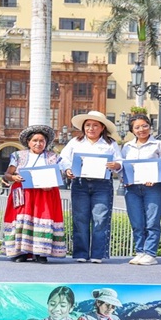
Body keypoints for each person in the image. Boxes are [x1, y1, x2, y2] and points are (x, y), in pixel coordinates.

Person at [60, 111, 122, 264]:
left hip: (102, 185)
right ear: (83, 127)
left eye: (95, 125)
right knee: (80, 219)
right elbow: (63, 159)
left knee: (100, 219)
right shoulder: (75, 142)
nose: (91, 128)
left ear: (102, 128)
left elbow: (120, 162)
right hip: (80, 183)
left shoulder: (110, 144)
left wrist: (116, 165)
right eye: (88, 125)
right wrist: (68, 169)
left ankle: (97, 254)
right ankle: (80, 253)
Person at [2, 125, 66, 264]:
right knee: (22, 220)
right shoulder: (18, 156)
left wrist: (51, 184)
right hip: (24, 193)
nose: (38, 143)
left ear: (46, 143)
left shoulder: (53, 157)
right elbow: (7, 174)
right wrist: (14, 178)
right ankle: (21, 252)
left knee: (42, 219)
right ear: (28, 142)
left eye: (41, 141)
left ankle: (41, 253)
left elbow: (58, 175)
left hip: (45, 194)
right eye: (35, 140)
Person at [120, 114, 161, 266]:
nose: (142, 130)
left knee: (152, 221)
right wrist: (124, 178)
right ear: (132, 130)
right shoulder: (127, 147)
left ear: (150, 126)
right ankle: (140, 251)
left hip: (153, 187)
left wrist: (155, 176)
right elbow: (122, 166)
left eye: (145, 126)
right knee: (137, 222)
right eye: (137, 127)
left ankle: (150, 253)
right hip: (132, 188)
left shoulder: (158, 144)